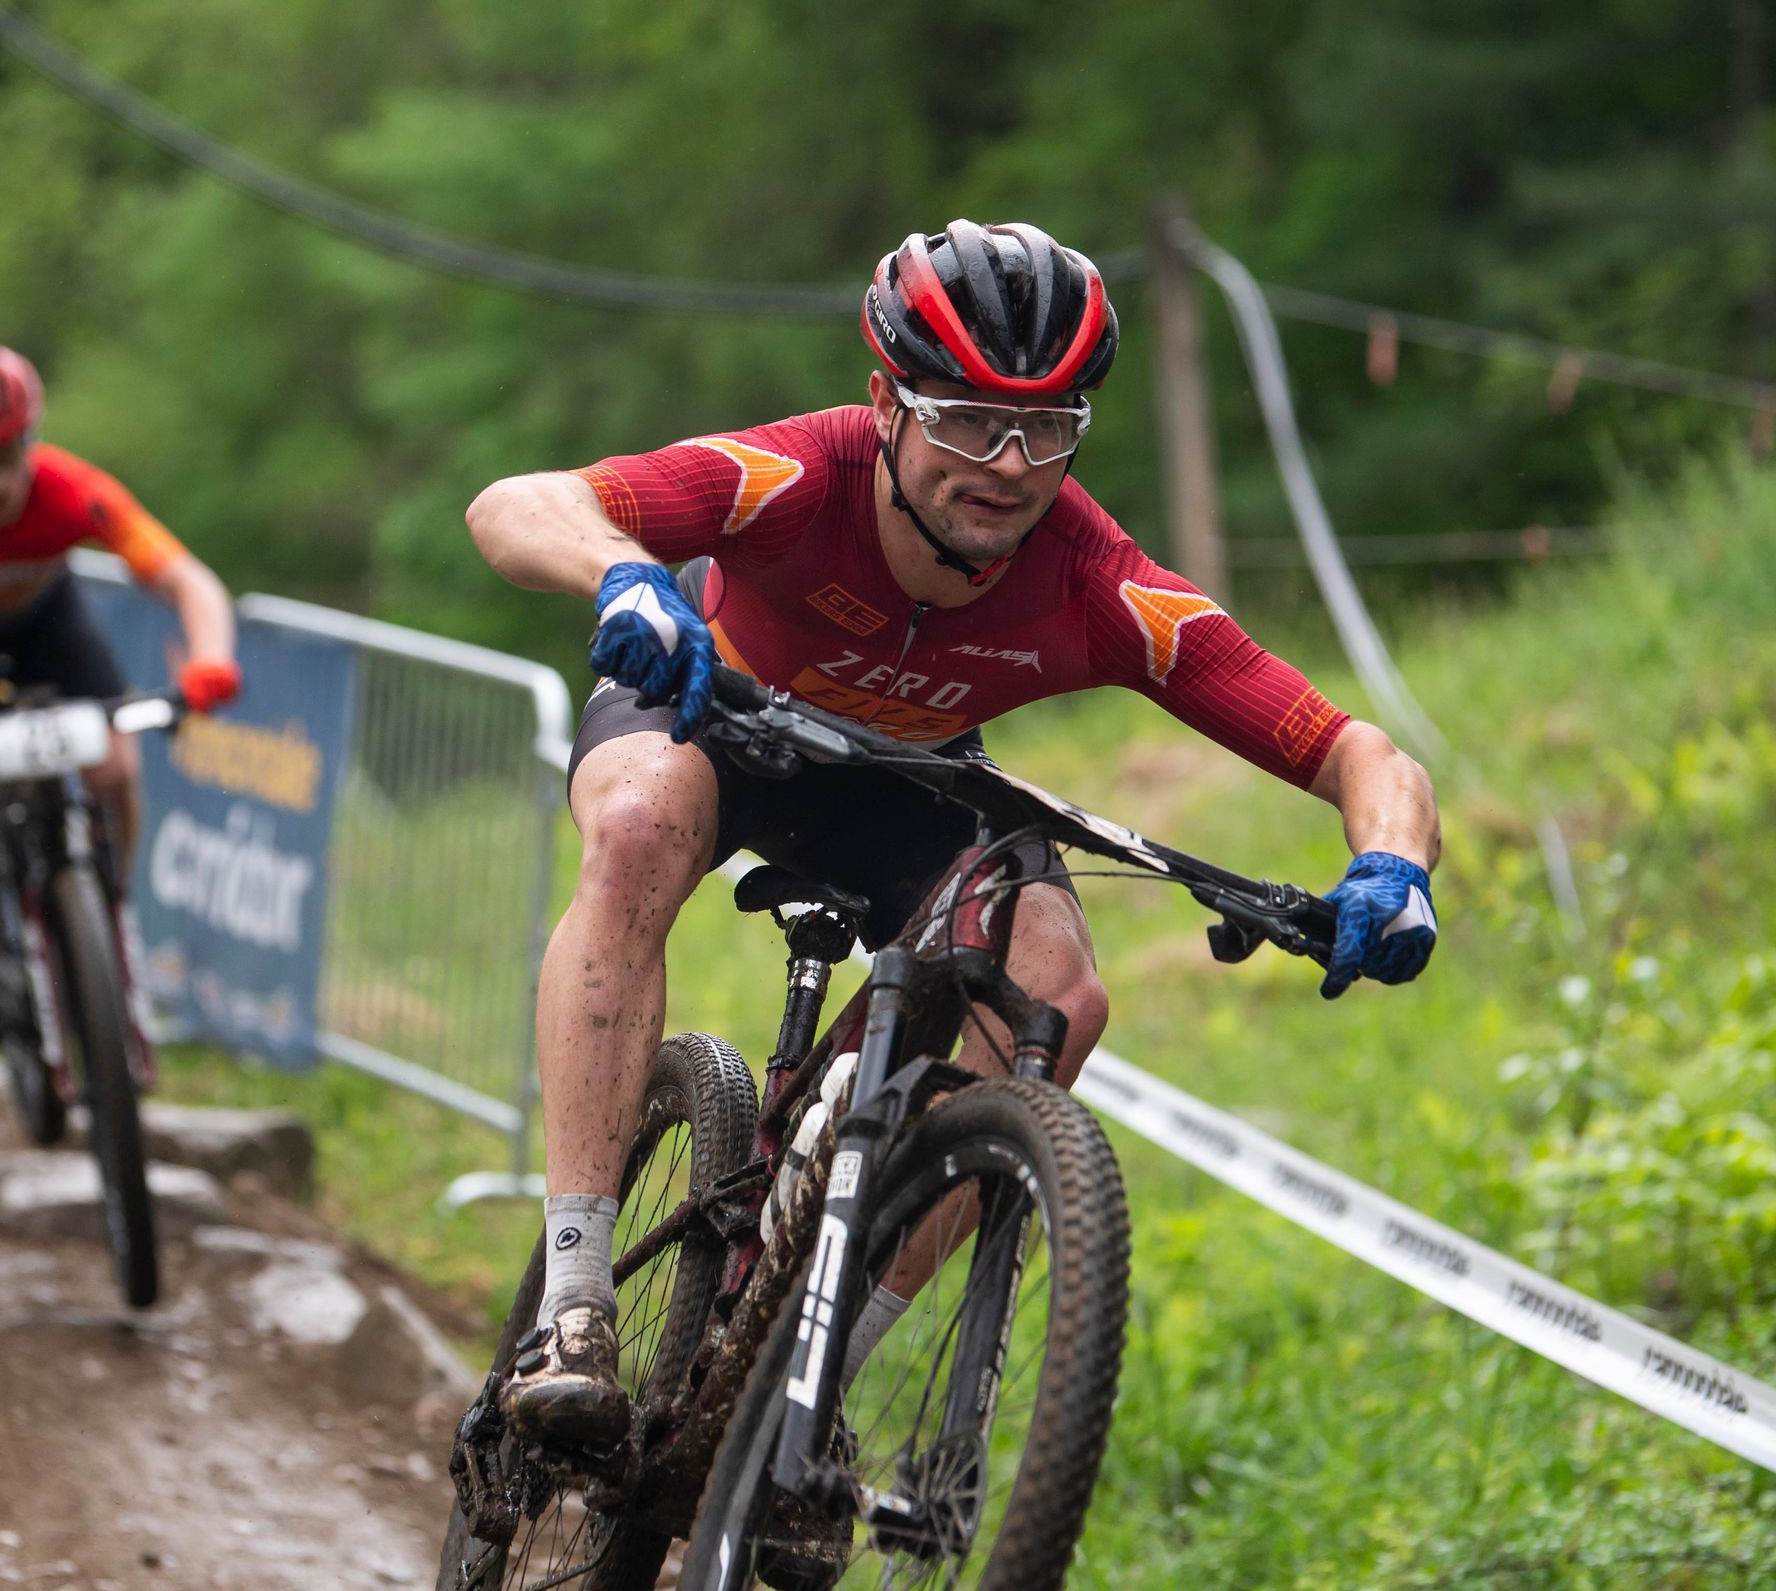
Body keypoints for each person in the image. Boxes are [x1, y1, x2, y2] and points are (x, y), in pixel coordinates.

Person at [463, 219, 1441, 1452]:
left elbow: (1364, 753)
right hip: (714, 709)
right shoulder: (796, 476)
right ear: (886, 399)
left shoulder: (1098, 582)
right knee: (639, 823)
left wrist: (1393, 865)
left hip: (906, 770)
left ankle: (802, 1395)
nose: (1009, 464)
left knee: (1057, 992)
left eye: (1049, 429)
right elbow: (522, 504)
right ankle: (574, 1301)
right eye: (968, 420)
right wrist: (621, 576)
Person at [0, 344, 242, 1042]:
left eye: (9, 455)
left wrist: (210, 660)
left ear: (30, 439)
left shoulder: (70, 488)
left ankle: (112, 911)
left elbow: (189, 579)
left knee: (115, 766)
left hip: (48, 623)